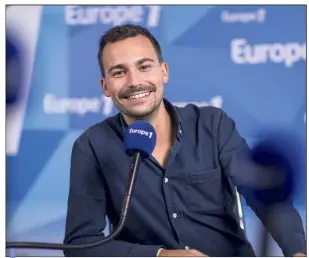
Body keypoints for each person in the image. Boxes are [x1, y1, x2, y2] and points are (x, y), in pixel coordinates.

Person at [63, 24, 306, 257]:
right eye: (119, 72)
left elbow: (266, 197)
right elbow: (81, 245)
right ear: (105, 86)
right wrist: (159, 256)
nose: (134, 81)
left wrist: (298, 252)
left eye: (144, 67)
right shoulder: (91, 147)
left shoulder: (212, 124)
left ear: (164, 71)